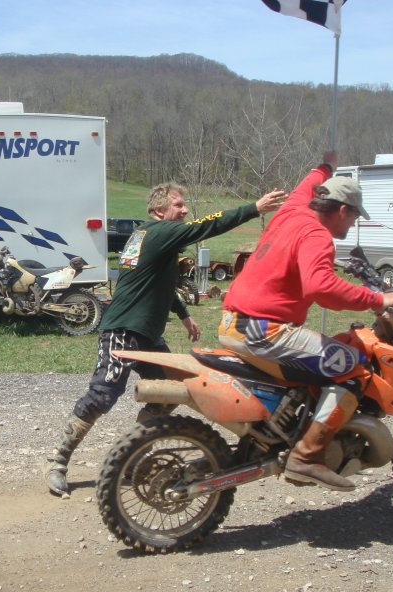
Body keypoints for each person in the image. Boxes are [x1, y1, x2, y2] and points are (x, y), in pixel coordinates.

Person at [43, 182, 288, 496]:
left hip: (147, 334)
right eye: (178, 205)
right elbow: (207, 225)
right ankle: (57, 461)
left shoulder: (147, 236)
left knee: (171, 392)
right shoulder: (160, 232)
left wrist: (183, 314)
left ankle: (130, 456)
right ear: (160, 211)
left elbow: (155, 281)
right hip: (122, 330)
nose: (185, 210)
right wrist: (254, 208)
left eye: (184, 205)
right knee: (102, 396)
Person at [218, 152, 393, 492]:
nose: (353, 224)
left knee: (324, 360)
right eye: (355, 216)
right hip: (264, 330)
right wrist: (377, 299)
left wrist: (326, 166)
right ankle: (306, 456)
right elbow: (321, 287)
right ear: (343, 210)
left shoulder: (293, 210)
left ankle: (289, 429)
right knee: (353, 368)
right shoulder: (317, 234)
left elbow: (308, 183)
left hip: (234, 322)